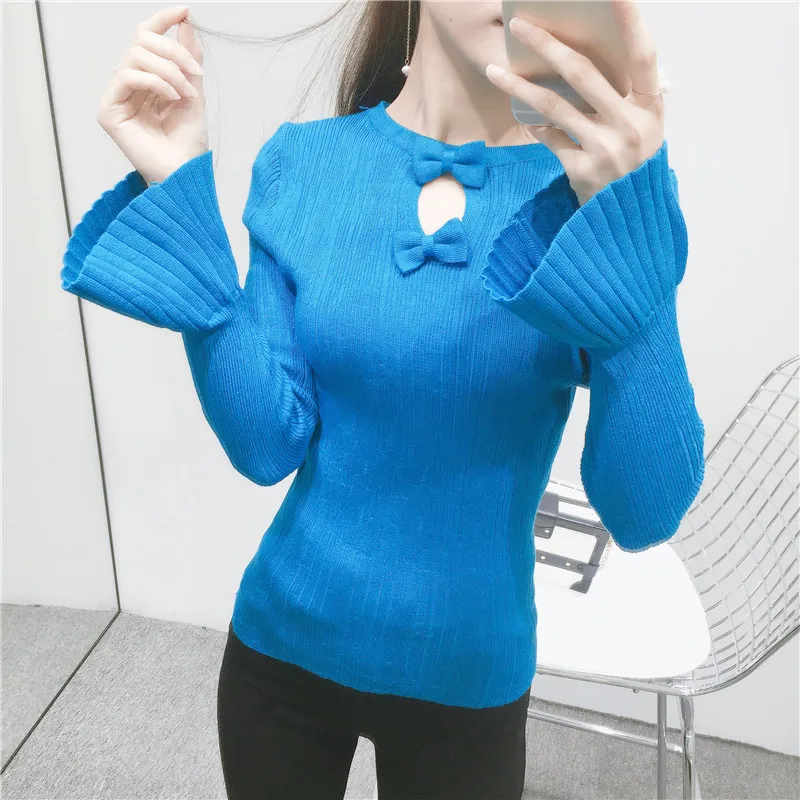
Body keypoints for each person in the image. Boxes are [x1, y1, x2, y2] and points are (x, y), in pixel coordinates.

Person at [60, 2, 705, 798]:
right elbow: (265, 444)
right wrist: (178, 183)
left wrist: (631, 227)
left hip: (468, 685)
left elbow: (646, 510)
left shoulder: (591, 194)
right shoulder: (302, 163)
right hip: (279, 653)